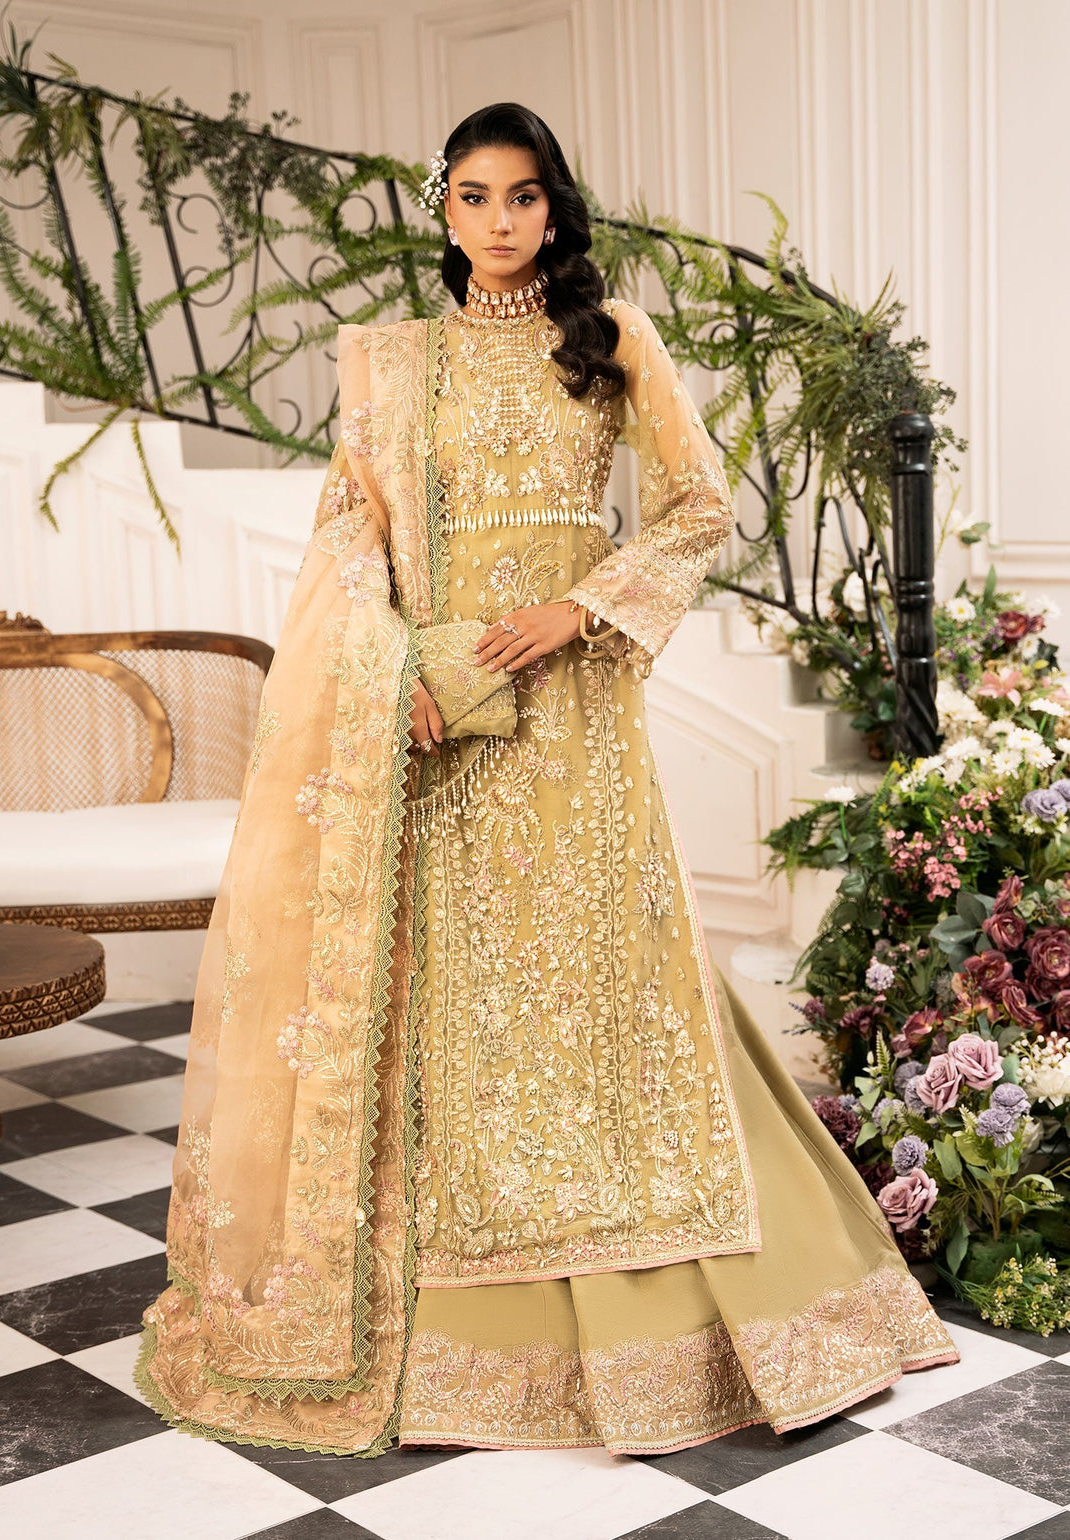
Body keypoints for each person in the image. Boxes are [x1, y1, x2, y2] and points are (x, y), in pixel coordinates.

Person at [135, 102, 959, 1459]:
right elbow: (350, 541)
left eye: (523, 197)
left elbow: (701, 506)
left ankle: (669, 1278)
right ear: (443, 209)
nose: (500, 221)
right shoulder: (394, 362)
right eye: (475, 196)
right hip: (437, 721)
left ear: (553, 208)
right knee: (455, 995)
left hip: (576, 718)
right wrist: (392, 678)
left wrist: (578, 610)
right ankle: (442, 1306)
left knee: (598, 976)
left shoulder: (612, 339)